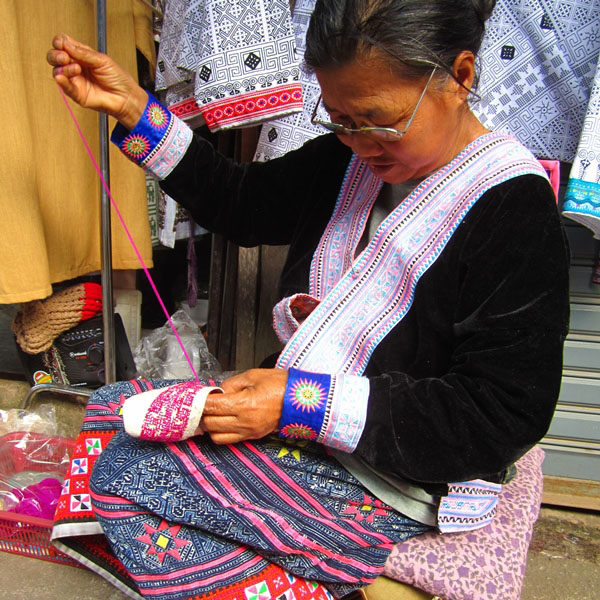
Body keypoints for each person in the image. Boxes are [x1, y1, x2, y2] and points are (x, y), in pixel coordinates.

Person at [46, 1, 570, 599]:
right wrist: (139, 112)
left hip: (401, 469)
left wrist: (299, 403)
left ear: (461, 76)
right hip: (312, 426)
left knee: (123, 474)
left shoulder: (516, 213)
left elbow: (499, 415)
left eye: (379, 120)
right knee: (113, 409)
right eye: (341, 119)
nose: (360, 141)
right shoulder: (349, 161)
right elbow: (241, 203)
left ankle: (334, 579)